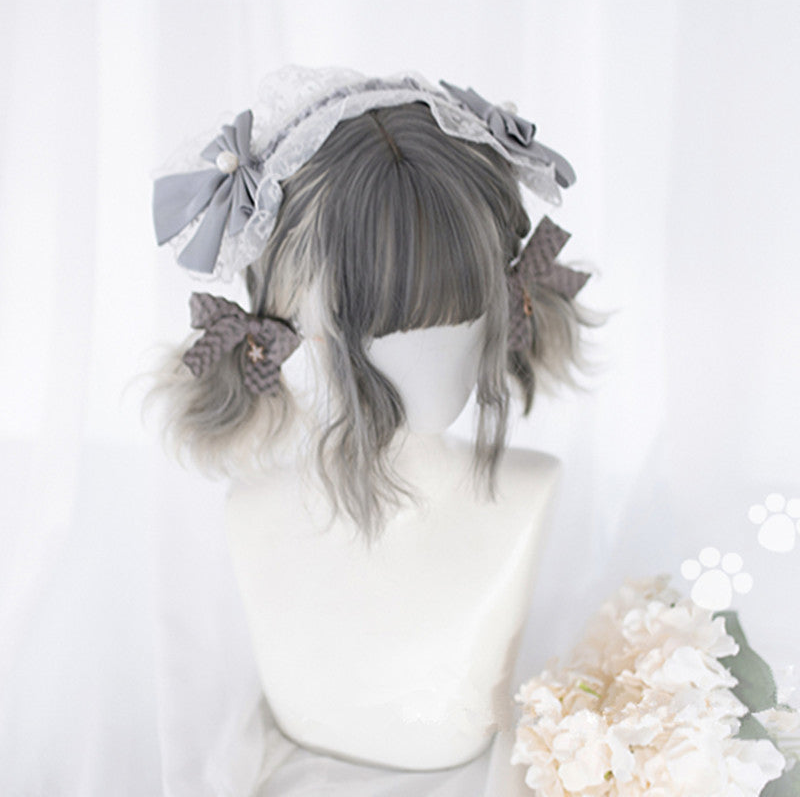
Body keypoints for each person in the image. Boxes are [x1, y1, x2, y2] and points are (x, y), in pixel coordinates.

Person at [150, 65, 594, 777]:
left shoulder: (532, 492)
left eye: (463, 308)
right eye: (384, 325)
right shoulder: (252, 512)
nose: (434, 353)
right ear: (297, 319)